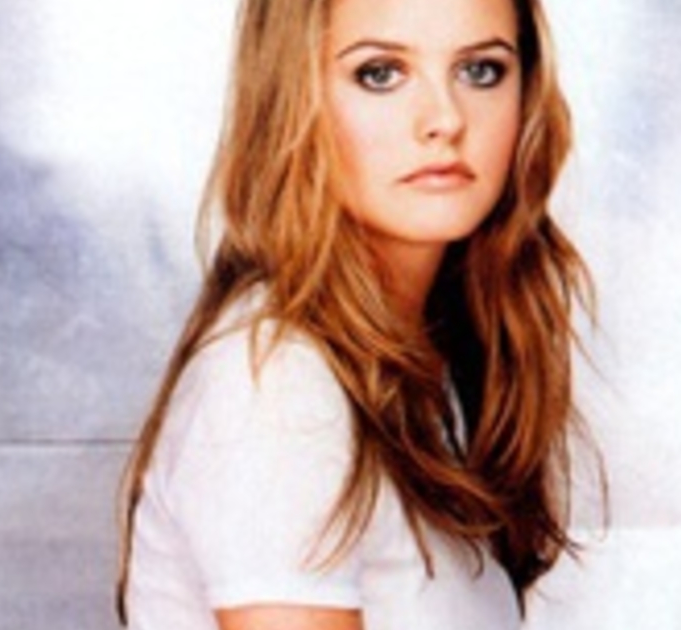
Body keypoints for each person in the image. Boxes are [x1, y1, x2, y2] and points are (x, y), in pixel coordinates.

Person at [118, 0, 597, 627]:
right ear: (292, 99)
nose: (445, 119)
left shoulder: (424, 356)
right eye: (380, 74)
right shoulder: (278, 384)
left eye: (480, 70)